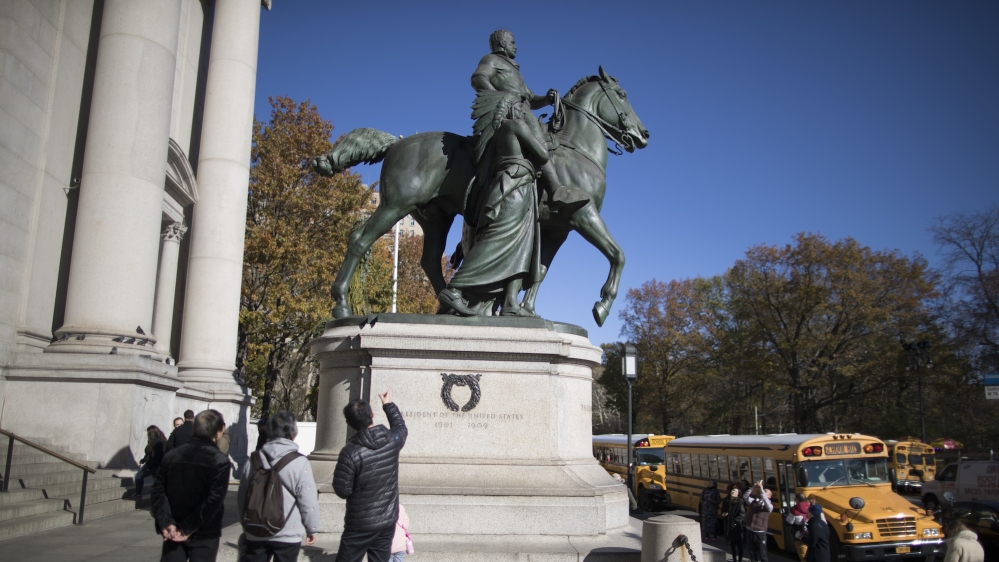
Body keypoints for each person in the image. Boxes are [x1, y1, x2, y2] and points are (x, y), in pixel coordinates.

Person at [438, 96, 550, 317]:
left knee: (522, 246)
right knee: (497, 240)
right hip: (514, 188)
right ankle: (455, 288)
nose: (525, 112)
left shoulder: (497, 135)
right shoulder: (515, 125)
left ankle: (510, 302)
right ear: (512, 110)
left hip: (514, 187)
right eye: (521, 107)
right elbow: (543, 154)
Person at [470, 29, 589, 215]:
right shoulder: (491, 59)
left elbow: (531, 98)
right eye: (512, 42)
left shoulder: (514, 69)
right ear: (502, 44)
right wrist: (503, 98)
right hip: (513, 111)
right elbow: (478, 78)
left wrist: (547, 99)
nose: (515, 46)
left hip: (522, 108)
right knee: (537, 135)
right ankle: (555, 189)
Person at [333, 389, 407, 562]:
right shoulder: (392, 440)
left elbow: (342, 490)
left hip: (360, 522)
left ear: (348, 423)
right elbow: (401, 427)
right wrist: (388, 404)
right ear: (372, 414)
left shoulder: (350, 452)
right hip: (386, 519)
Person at [237, 411, 320, 562]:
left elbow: (242, 494)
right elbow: (308, 499)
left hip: (256, 528)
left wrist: (245, 521)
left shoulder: (253, 459)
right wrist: (312, 528)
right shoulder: (300, 462)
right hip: (288, 531)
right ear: (293, 432)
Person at [152, 409, 231, 562]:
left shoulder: (171, 455)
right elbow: (214, 500)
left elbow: (158, 493)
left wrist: (166, 522)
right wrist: (186, 527)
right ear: (219, 431)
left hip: (173, 529)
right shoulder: (219, 460)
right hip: (204, 532)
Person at [129, 425, 167, 500]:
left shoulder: (156, 442)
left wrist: (149, 467)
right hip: (158, 465)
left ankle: (138, 494)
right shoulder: (162, 440)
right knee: (158, 483)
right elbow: (149, 454)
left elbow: (155, 456)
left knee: (139, 476)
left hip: (153, 465)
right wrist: (142, 461)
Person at [744, 481, 773, 562]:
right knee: (752, 554)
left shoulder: (769, 506)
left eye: (764, 492)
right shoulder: (754, 502)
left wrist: (762, 489)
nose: (761, 492)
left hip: (760, 532)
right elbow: (745, 496)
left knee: (762, 553)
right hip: (750, 530)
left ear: (769, 496)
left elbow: (767, 503)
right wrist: (753, 487)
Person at [720, 487, 746, 562]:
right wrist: (724, 514)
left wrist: (735, 521)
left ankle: (740, 560)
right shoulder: (727, 501)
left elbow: (742, 514)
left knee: (739, 545)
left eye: (735, 491)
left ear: (738, 494)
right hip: (729, 526)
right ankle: (734, 559)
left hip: (736, 527)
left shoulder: (739, 502)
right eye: (733, 490)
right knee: (732, 545)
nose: (733, 492)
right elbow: (723, 510)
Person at [790, 492, 811, 562]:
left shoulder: (794, 510)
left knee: (803, 557)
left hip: (799, 536)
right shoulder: (811, 508)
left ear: (797, 500)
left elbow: (788, 522)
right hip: (811, 535)